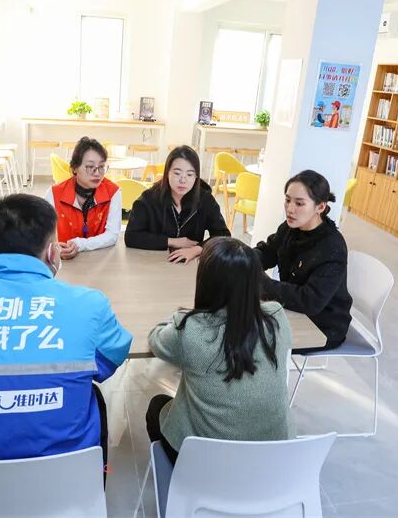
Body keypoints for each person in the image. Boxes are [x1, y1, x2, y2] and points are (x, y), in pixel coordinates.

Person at [0, 194, 132, 499]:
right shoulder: (89, 305)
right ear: (52, 251)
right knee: (90, 393)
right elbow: (110, 360)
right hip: (68, 493)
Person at [145, 237, 292, 465]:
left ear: (205, 280)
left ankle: (183, 479)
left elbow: (155, 338)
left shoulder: (190, 329)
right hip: (272, 459)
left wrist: (184, 315)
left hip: (208, 464)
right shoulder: (276, 317)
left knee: (157, 406)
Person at [254, 170, 352, 354]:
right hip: (294, 310)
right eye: (287, 200)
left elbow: (310, 301)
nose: (290, 209)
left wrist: (262, 283)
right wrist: (240, 259)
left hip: (322, 325)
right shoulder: (290, 228)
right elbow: (268, 252)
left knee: (249, 339)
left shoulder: (332, 247)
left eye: (299, 203)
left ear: (320, 207)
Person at [125, 145, 230, 264]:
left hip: (189, 264)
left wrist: (197, 249)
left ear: (196, 176)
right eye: (177, 173)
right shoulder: (149, 199)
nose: (183, 180)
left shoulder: (205, 200)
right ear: (167, 173)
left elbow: (223, 235)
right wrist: (172, 241)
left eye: (189, 175)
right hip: (153, 262)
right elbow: (131, 236)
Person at [44, 136, 121, 259]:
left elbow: (112, 235)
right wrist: (55, 249)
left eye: (101, 166)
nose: (97, 173)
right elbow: (42, 236)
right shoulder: (54, 194)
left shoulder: (113, 192)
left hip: (100, 261)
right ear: (74, 168)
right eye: (90, 167)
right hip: (63, 263)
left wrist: (80, 245)